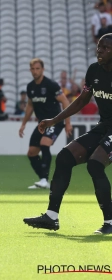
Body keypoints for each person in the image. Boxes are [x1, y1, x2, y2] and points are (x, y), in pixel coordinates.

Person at [23, 34, 112, 234]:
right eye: (99, 47)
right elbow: (82, 100)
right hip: (104, 126)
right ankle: (51, 217)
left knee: (95, 164)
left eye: (105, 48)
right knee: (64, 157)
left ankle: (110, 222)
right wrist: (54, 120)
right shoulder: (94, 70)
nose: (100, 51)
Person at [19, 58, 72, 189]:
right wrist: (24, 124)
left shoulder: (51, 85)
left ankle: (44, 179)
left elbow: (65, 102)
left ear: (43, 69)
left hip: (55, 121)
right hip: (42, 124)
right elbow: (30, 106)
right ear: (30, 70)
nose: (35, 71)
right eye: (33, 69)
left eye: (38, 69)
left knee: (44, 143)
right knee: (31, 153)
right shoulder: (30, 87)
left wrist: (68, 123)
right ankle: (43, 179)